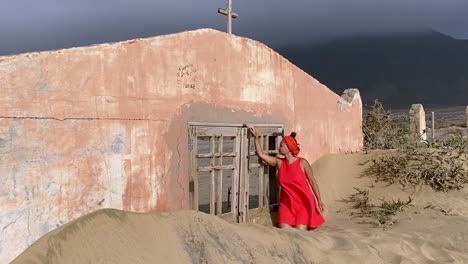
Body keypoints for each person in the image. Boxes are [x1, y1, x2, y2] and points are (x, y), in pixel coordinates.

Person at [249, 127, 325, 230]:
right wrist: (256, 138)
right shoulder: (279, 163)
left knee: (300, 232)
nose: (278, 147)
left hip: (303, 204)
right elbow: (261, 155)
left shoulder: (302, 163)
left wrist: (319, 201)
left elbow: (312, 182)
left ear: (289, 148)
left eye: (281, 145)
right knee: (284, 229)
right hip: (286, 205)